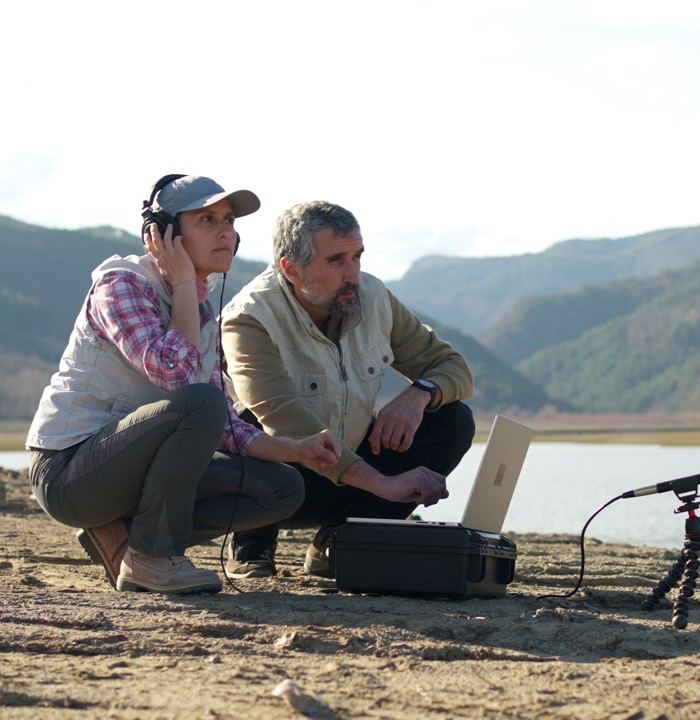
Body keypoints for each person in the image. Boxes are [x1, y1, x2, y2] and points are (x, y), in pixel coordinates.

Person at [25, 176, 341, 595]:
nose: (226, 231)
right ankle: (153, 559)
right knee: (198, 400)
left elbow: (224, 424)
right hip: (70, 474)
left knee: (283, 488)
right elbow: (175, 376)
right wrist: (182, 283)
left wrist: (295, 449)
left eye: (228, 220)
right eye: (207, 219)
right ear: (162, 233)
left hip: (126, 472)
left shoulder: (200, 311)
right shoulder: (121, 285)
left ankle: (132, 541)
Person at [220, 200, 475, 579]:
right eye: (337, 260)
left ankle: (341, 541)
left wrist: (417, 394)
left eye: (357, 257)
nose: (353, 274)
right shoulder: (249, 318)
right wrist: (384, 484)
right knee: (253, 422)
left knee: (453, 418)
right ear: (291, 268)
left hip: (352, 467)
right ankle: (252, 546)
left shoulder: (373, 297)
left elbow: (455, 368)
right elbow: (284, 420)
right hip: (281, 482)